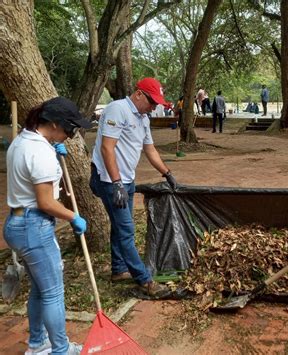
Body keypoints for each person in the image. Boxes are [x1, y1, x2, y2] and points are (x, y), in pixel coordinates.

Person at [4, 97, 91, 354]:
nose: (71, 135)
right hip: (34, 227)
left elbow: (29, 176)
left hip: (16, 222)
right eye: (70, 129)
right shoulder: (40, 152)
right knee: (53, 293)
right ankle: (61, 350)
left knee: (40, 291)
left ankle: (37, 344)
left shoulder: (22, 141)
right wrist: (73, 217)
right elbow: (45, 202)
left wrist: (52, 150)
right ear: (54, 124)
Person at [89, 77, 178, 296]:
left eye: (157, 104)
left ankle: (119, 270)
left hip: (126, 180)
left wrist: (167, 173)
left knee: (120, 226)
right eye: (152, 102)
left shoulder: (143, 118)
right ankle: (145, 281)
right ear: (139, 94)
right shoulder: (117, 109)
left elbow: (150, 150)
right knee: (127, 230)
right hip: (109, 181)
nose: (154, 107)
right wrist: (117, 182)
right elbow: (107, 149)